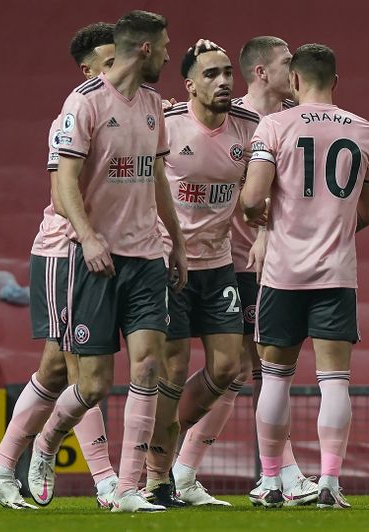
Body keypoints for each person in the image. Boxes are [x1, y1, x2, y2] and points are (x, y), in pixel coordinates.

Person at [25, 10, 188, 513]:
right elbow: (64, 181)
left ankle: (126, 488)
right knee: (91, 383)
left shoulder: (154, 105)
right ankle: (46, 440)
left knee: (149, 364)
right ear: (145, 48)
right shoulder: (85, 102)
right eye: (165, 47)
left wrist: (176, 242)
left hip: (146, 255)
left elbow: (157, 179)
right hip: (95, 259)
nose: (168, 56)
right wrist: (89, 238)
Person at [0, 22, 118, 511]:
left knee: (56, 369)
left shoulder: (129, 113)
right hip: (65, 251)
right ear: (88, 70)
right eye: (108, 61)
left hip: (103, 251)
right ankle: (105, 480)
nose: (117, 69)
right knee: (82, 368)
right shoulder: (72, 117)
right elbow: (61, 198)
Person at [241, 43, 369, 509]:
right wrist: (333, 227)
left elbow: (251, 199)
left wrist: (262, 216)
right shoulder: (364, 130)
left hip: (282, 273)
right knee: (335, 381)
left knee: (274, 378)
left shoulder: (274, 125)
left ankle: (270, 481)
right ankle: (329, 483)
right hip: (336, 274)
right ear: (335, 81)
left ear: (295, 80)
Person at [182, 35, 316, 507]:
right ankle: (281, 474)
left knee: (251, 370)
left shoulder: (290, 120)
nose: (295, 69)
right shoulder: (232, 118)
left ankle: (184, 469)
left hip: (274, 263)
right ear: (261, 72)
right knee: (253, 368)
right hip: (234, 264)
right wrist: (259, 235)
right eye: (286, 62)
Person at [141, 43, 255, 507]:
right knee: (171, 369)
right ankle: (155, 477)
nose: (224, 80)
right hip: (170, 264)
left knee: (229, 367)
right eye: (211, 74)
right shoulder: (168, 124)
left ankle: (163, 446)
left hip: (219, 264)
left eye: (228, 72)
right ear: (189, 85)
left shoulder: (250, 127)